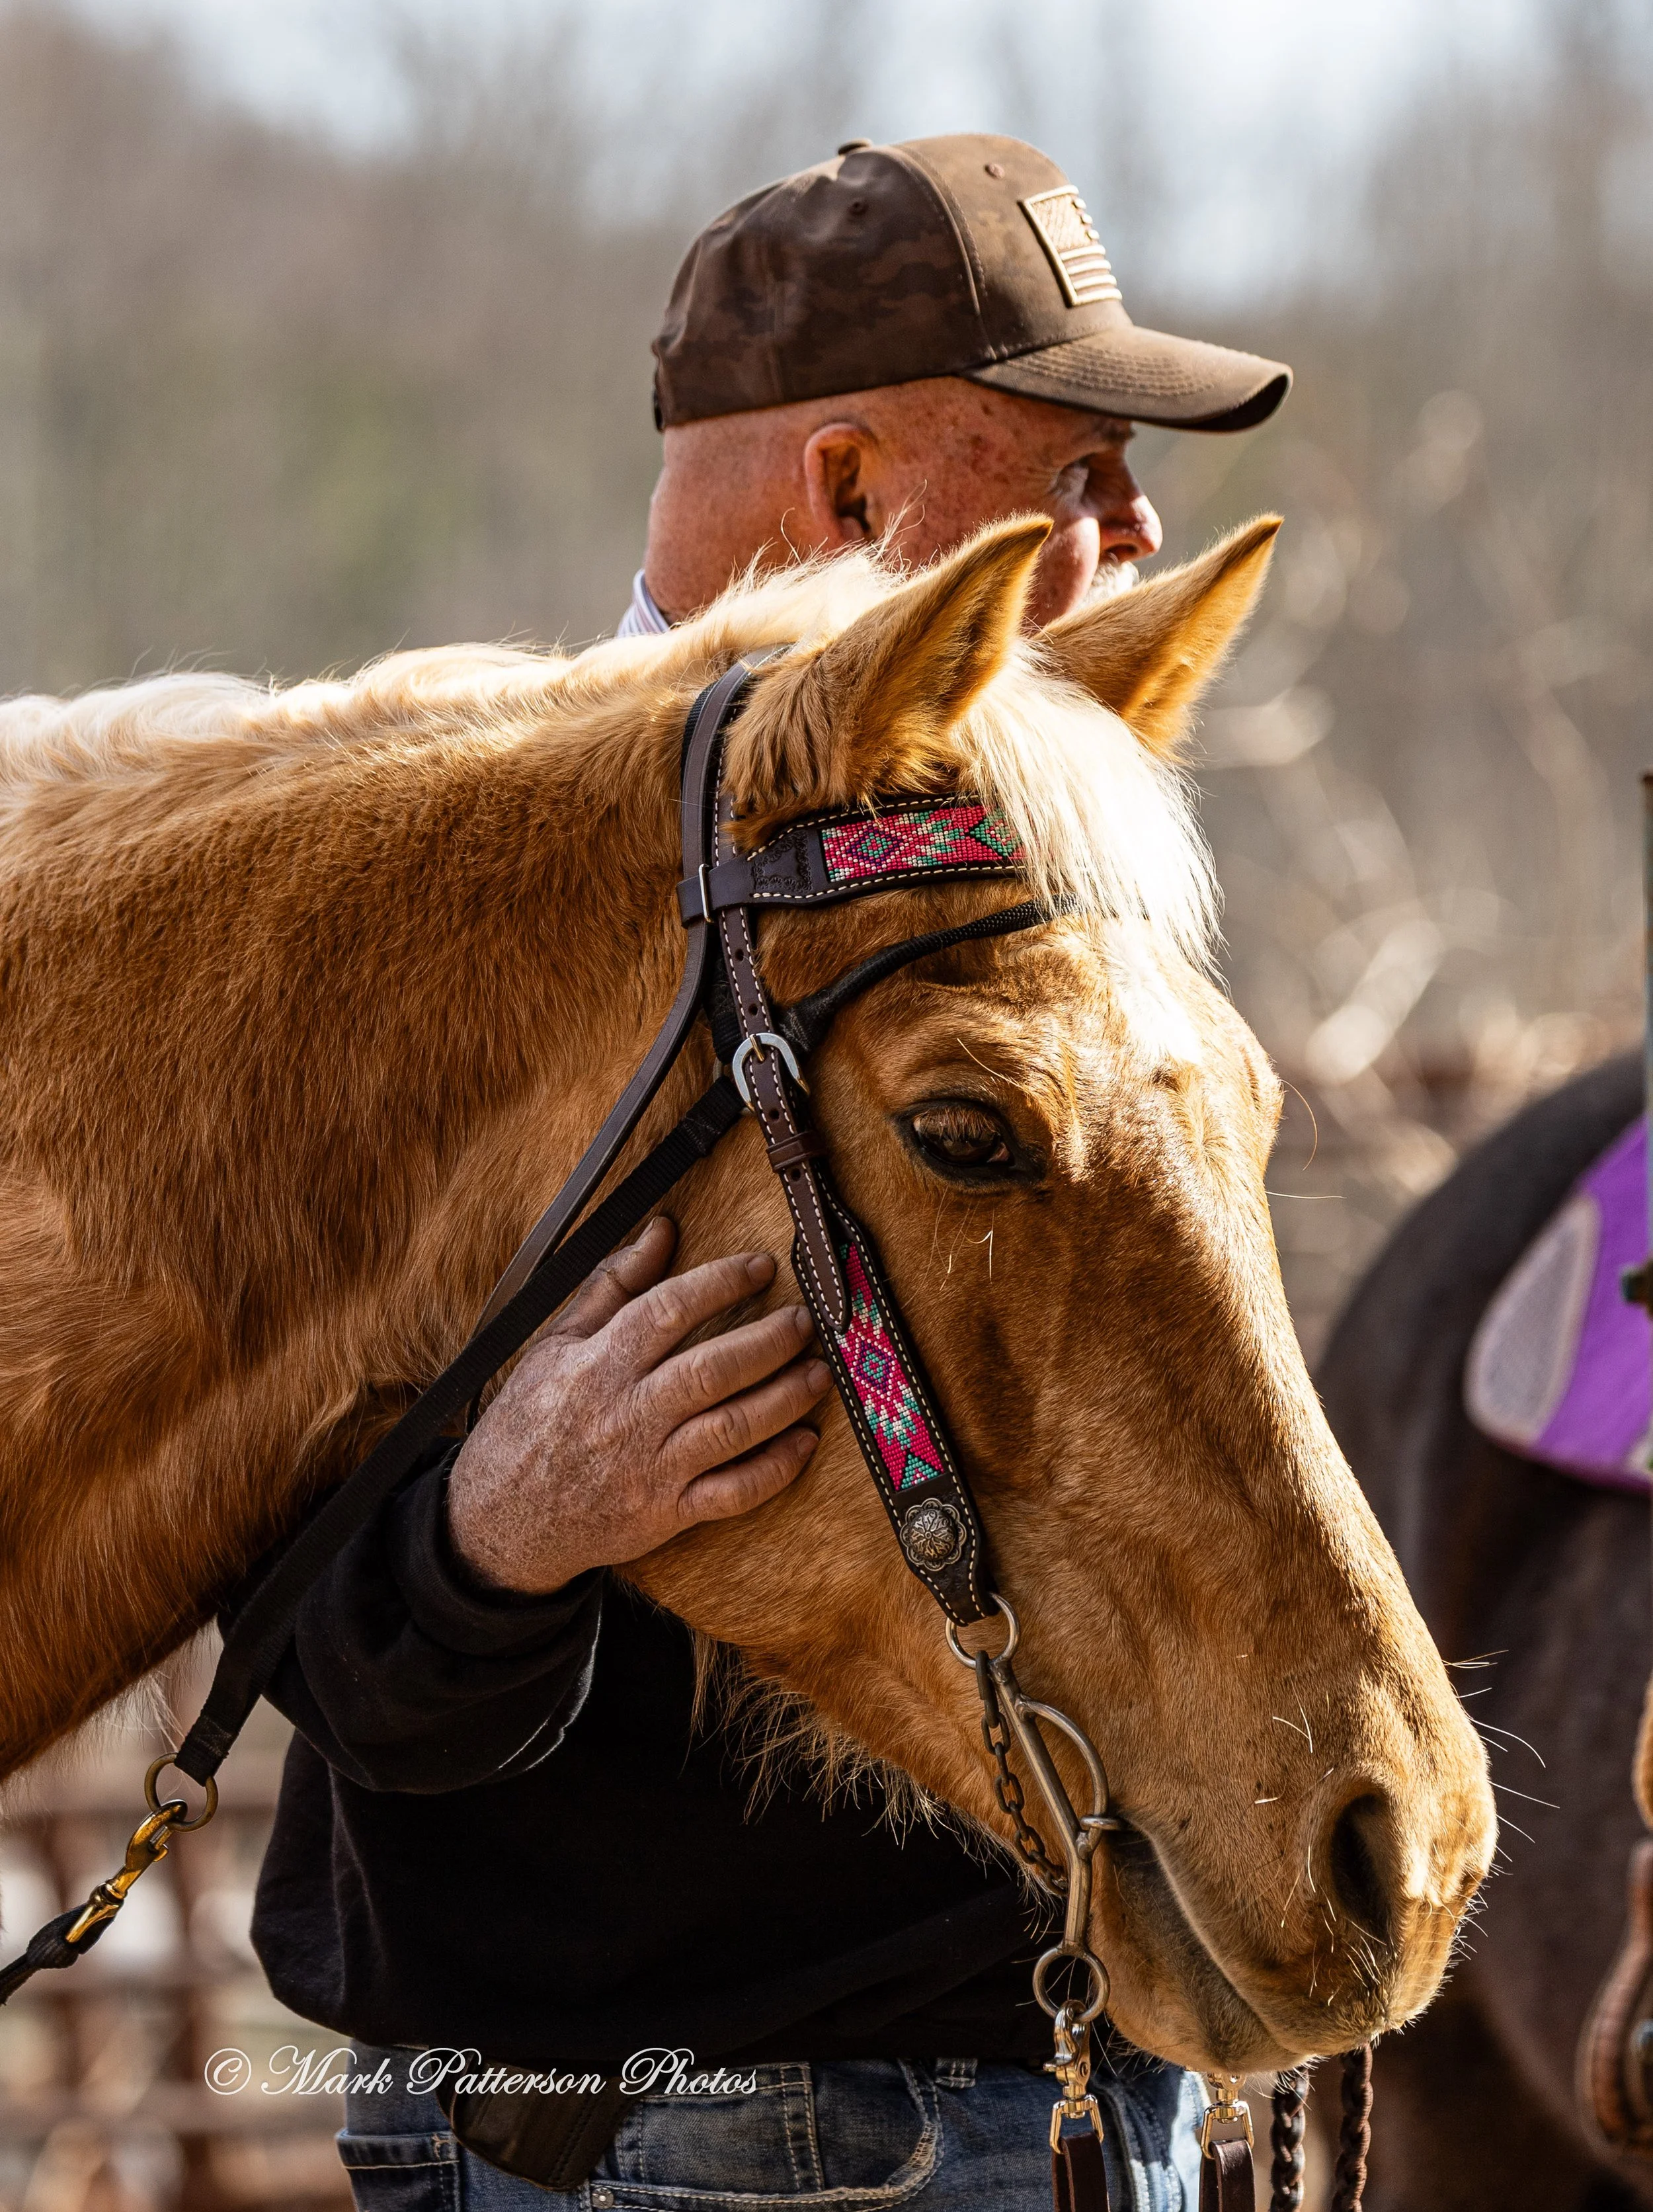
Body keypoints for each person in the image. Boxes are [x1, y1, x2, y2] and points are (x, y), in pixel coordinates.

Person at [249, 134, 1291, 2212]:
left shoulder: (1014, 870)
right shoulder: (412, 910)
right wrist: (491, 1535)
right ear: (840, 496)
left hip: (1067, 2095)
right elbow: (259, 1582)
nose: (1136, 526)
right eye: (1074, 471)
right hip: (694, 2139)